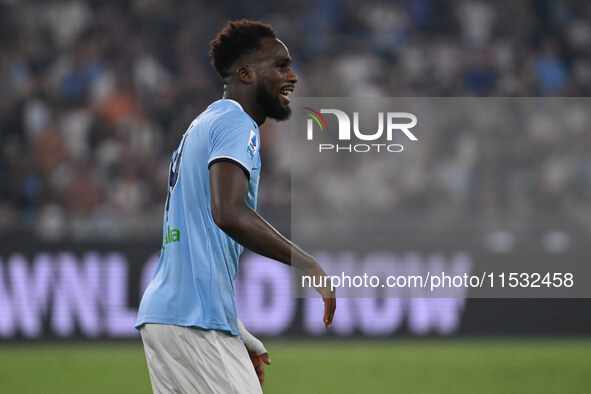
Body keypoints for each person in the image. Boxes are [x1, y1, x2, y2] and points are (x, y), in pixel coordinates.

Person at [136, 20, 336, 393]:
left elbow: (197, 240)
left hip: (169, 316)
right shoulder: (235, 122)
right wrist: (308, 263)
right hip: (194, 322)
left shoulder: (203, 123)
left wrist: (235, 327)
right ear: (245, 73)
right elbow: (228, 212)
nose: (292, 76)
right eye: (280, 65)